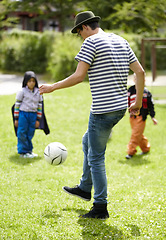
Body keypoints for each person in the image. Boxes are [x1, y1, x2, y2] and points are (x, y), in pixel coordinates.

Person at [39, 11, 145, 219]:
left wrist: (53, 87)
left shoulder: (91, 43)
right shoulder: (120, 41)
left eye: (79, 32)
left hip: (102, 110)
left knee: (96, 157)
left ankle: (100, 206)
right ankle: (85, 187)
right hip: (119, 108)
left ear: (85, 27)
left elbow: (79, 76)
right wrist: (138, 102)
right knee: (87, 141)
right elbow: (139, 72)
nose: (80, 36)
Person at [13, 71, 49, 158]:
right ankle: (22, 152)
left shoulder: (38, 92)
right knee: (22, 132)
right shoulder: (22, 91)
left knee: (30, 133)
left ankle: (29, 151)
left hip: (33, 115)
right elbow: (17, 105)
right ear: (26, 82)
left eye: (33, 81)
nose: (31, 83)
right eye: (29, 81)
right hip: (23, 114)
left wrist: (38, 120)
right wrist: (16, 119)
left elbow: (40, 107)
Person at [126, 74, 158, 159]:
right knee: (138, 134)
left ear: (144, 80)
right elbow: (126, 101)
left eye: (140, 79)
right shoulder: (130, 90)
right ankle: (145, 148)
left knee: (135, 134)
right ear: (134, 80)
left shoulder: (146, 93)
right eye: (136, 79)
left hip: (141, 117)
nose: (138, 80)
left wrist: (153, 117)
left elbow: (151, 106)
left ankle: (130, 152)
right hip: (132, 117)